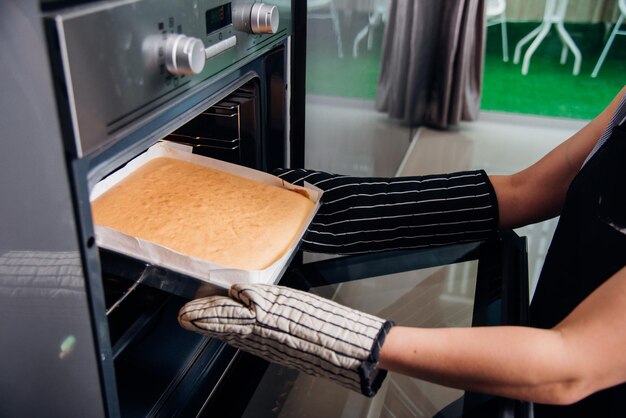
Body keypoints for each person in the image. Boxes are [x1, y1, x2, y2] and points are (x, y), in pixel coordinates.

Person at [178, 86, 626, 417]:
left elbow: (572, 365)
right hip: (526, 365)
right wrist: (340, 206)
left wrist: (349, 337)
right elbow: (530, 189)